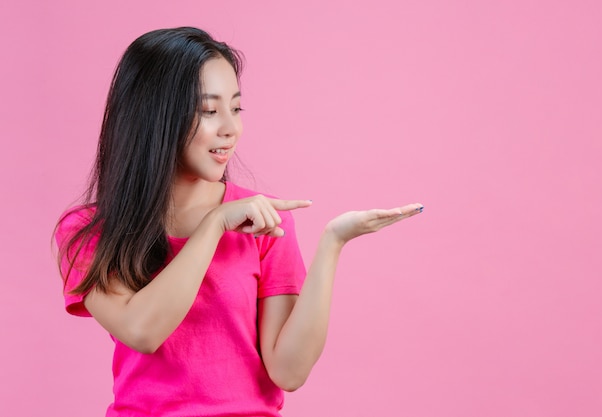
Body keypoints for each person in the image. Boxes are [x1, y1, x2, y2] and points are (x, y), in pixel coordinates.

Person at [54, 27, 423, 417]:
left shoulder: (263, 221)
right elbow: (142, 330)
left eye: (236, 108)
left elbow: (289, 371)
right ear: (154, 117)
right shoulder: (87, 232)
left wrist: (333, 242)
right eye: (209, 111)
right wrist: (214, 225)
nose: (231, 128)